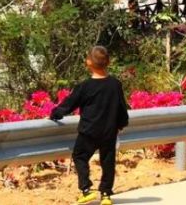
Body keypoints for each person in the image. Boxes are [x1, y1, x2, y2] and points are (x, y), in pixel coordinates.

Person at [49, 46, 129, 205]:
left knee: (80, 155)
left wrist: (55, 113)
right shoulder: (115, 84)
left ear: (88, 62)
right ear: (108, 62)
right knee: (108, 161)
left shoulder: (84, 87)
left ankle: (86, 189)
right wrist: (121, 124)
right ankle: (106, 195)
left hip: (89, 131)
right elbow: (121, 107)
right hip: (109, 132)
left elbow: (69, 104)